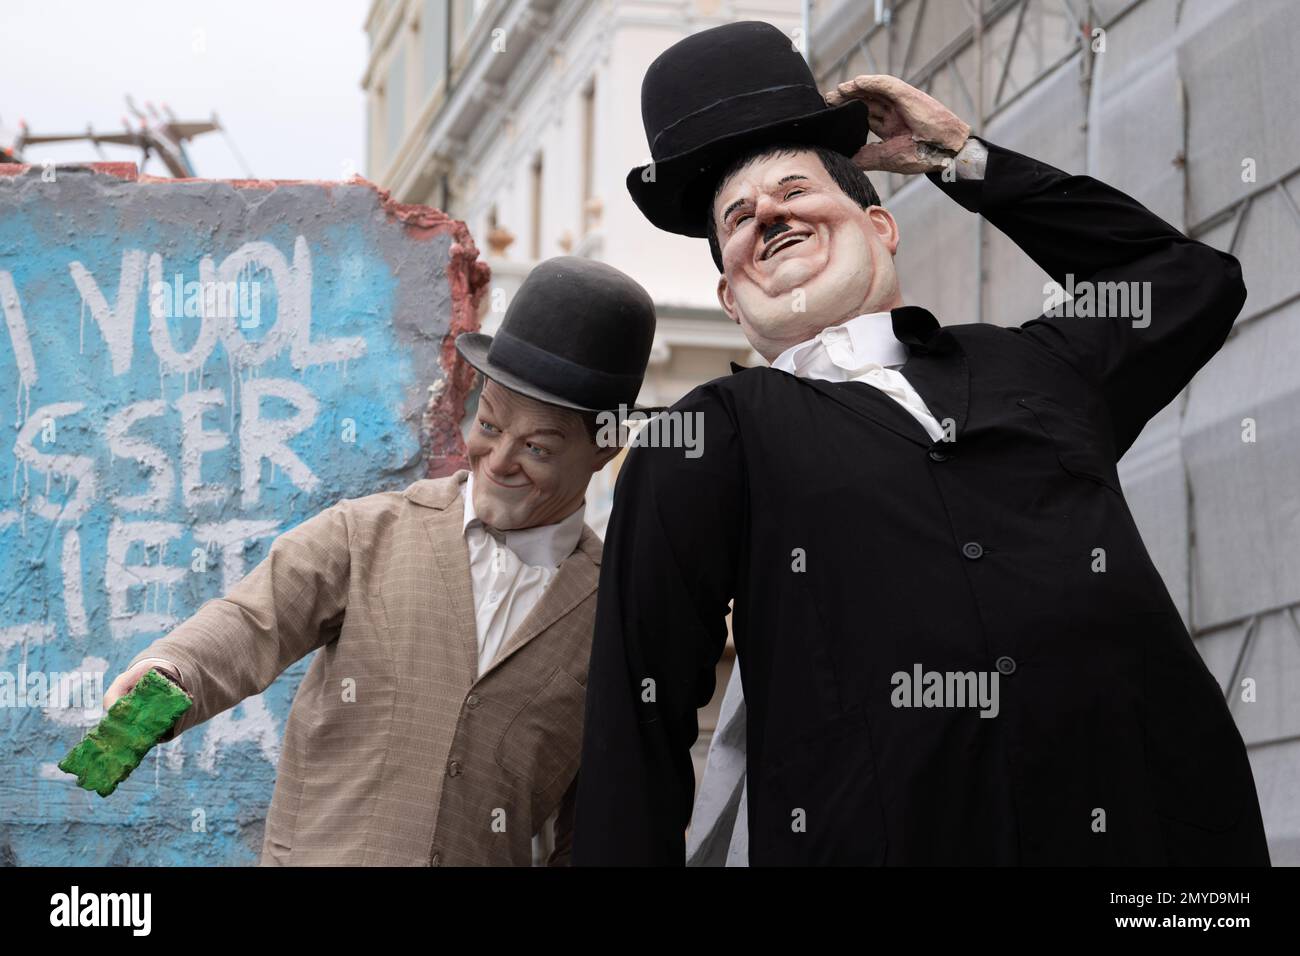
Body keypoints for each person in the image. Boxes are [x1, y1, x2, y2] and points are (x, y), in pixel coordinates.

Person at [573, 20, 1269, 865]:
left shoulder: (1035, 366)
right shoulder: (712, 435)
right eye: (738, 218)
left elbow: (1191, 283)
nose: (769, 215)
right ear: (731, 297)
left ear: (882, 226)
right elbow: (634, 725)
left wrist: (959, 157)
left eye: (794, 190)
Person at [108, 256, 657, 865]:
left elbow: (601, 827)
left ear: (606, 446)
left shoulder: (616, 619)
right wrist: (167, 677)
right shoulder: (367, 534)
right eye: (490, 424)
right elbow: (251, 620)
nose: (498, 460)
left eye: (536, 447)